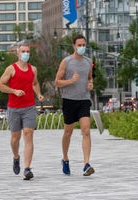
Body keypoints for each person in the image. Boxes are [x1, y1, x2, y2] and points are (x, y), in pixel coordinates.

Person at [0, 42, 44, 180]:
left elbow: (35, 83)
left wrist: (39, 94)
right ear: (17, 54)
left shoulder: (33, 69)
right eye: (23, 51)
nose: (25, 54)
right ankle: (16, 156)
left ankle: (27, 168)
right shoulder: (11, 69)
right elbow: (0, 85)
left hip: (29, 107)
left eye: (28, 51)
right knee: (15, 138)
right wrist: (14, 91)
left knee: (28, 134)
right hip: (14, 108)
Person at [54, 34, 95, 176]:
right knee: (68, 132)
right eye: (79, 45)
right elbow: (57, 82)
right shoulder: (66, 61)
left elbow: (89, 78)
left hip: (84, 100)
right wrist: (71, 81)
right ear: (73, 46)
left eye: (84, 45)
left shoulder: (89, 62)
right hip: (69, 100)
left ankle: (86, 164)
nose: (82, 47)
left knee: (86, 131)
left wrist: (90, 83)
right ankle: (65, 159)